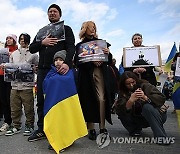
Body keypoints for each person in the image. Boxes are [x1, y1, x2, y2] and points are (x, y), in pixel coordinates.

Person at [28, 4, 75, 142]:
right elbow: (31, 48)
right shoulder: (42, 31)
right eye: (50, 12)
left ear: (60, 14)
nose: (52, 13)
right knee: (41, 101)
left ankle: (61, 131)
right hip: (43, 70)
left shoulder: (66, 29)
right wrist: (42, 42)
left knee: (59, 100)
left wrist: (67, 63)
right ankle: (41, 129)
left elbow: (71, 47)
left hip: (58, 69)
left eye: (55, 11)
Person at [43, 50, 87, 152]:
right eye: (56, 60)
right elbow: (45, 85)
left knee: (67, 120)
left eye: (61, 59)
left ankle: (67, 140)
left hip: (67, 103)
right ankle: (56, 141)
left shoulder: (71, 73)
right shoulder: (51, 72)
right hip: (53, 104)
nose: (58, 62)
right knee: (56, 121)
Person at [75, 21, 112, 140]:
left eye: (94, 27)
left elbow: (109, 61)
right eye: (90, 27)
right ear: (84, 29)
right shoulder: (79, 46)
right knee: (87, 99)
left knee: (101, 99)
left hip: (100, 72)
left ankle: (102, 127)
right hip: (86, 75)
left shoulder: (102, 43)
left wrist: (108, 54)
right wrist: (91, 61)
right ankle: (90, 128)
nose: (93, 29)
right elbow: (77, 62)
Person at [115, 71, 169, 144]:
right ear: (124, 85)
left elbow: (161, 98)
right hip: (137, 119)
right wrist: (130, 101)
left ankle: (161, 137)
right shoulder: (123, 92)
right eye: (128, 84)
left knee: (147, 107)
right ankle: (134, 130)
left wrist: (146, 98)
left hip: (156, 116)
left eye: (133, 82)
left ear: (136, 80)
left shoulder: (145, 85)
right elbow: (120, 110)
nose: (131, 85)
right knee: (121, 111)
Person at [4, 33, 38, 136]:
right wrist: (7, 68)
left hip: (27, 85)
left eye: (24, 39)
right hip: (14, 85)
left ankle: (29, 125)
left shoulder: (34, 54)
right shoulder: (13, 54)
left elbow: (37, 68)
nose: (22, 41)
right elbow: (10, 67)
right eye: (21, 39)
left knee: (28, 107)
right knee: (14, 107)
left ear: (28, 40)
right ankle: (16, 126)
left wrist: (34, 69)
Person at [0, 34, 18, 135]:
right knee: (3, 99)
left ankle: (13, 120)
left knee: (10, 99)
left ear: (14, 40)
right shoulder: (2, 51)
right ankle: (7, 121)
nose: (8, 40)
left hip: (11, 78)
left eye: (10, 38)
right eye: (7, 38)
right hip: (1, 76)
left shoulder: (17, 52)